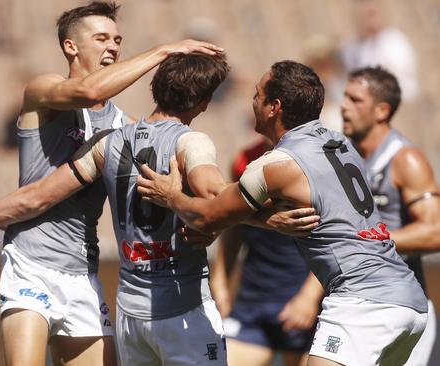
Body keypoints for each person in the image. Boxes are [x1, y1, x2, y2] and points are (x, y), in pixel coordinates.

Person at [0, 52, 319, 366]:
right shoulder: (191, 143)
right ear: (204, 103)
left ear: (155, 88)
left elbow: (36, 197)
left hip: (132, 313)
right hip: (183, 309)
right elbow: (215, 193)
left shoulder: (109, 144)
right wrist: (272, 220)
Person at [0, 2, 225, 365]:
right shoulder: (43, 92)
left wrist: (199, 221)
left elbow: (159, 191)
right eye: (101, 38)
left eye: (117, 39)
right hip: (31, 264)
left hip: (82, 270)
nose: (112, 46)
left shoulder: (121, 130)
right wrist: (164, 50)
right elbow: (38, 194)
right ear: (71, 46)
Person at [137, 60, 428, 365]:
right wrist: (269, 220)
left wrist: (172, 197)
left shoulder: (277, 164)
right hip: (408, 301)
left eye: (257, 95)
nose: (252, 102)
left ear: (274, 107)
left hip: (362, 301)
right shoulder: (341, 145)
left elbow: (209, 217)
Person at [341, 66, 440, 365]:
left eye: (355, 100)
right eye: (344, 97)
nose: (344, 106)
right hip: (351, 303)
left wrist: (368, 240)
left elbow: (435, 230)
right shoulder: (343, 156)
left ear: (382, 110)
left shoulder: (405, 158)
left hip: (400, 308)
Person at [210, 137, 323, 366]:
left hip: (300, 303)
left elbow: (336, 240)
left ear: (276, 107)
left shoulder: (319, 164)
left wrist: (310, 296)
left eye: (260, 99)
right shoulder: (245, 160)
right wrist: (220, 280)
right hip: (253, 302)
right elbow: (234, 226)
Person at [341, 0, 418, 100]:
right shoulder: (352, 48)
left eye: (371, 14)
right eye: (364, 16)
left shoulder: (394, 40)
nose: (368, 20)